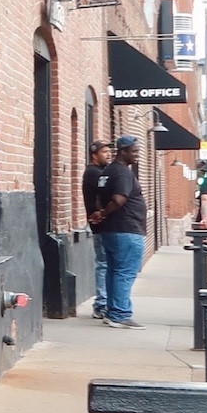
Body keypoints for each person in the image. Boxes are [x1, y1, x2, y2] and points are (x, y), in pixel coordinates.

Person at [92, 134, 147, 327]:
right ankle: (120, 314)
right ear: (123, 152)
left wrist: (100, 214)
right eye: (134, 151)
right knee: (125, 272)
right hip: (127, 229)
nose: (137, 155)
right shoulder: (123, 172)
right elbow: (119, 199)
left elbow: (99, 197)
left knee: (113, 271)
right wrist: (105, 213)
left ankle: (112, 311)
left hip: (111, 231)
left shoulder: (107, 171)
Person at [81, 138, 114, 320]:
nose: (108, 154)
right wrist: (99, 214)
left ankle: (104, 303)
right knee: (103, 264)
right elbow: (97, 198)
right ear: (94, 155)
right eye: (104, 152)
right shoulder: (94, 173)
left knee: (106, 264)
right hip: (100, 225)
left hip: (102, 224)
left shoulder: (99, 172)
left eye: (109, 151)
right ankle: (101, 305)